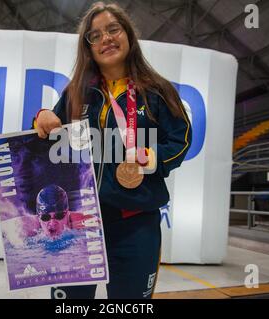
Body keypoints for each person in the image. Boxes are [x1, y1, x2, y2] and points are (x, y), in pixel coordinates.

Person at [35, 2, 192, 299]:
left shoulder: (157, 90)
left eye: (113, 29)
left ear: (128, 35)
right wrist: (41, 116)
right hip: (79, 226)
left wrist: (150, 158)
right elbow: (51, 136)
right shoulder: (76, 92)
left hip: (135, 225)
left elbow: (181, 138)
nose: (106, 38)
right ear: (89, 48)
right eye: (95, 35)